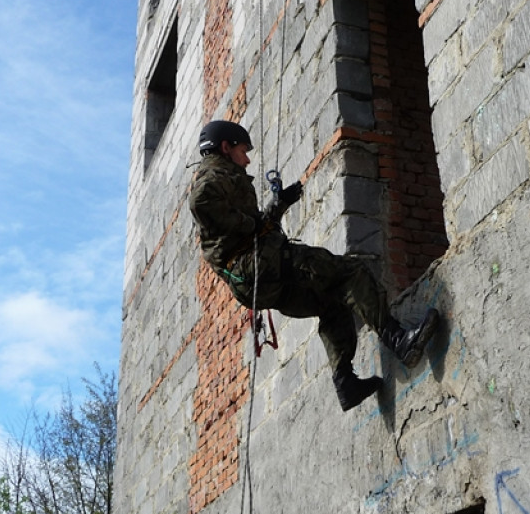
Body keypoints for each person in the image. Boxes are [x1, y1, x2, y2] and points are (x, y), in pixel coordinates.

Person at [188, 119, 439, 411]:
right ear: (225, 147)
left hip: (254, 280)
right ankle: (400, 341)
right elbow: (201, 202)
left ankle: (346, 383)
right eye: (243, 151)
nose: (247, 160)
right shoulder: (214, 176)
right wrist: (249, 223)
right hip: (262, 265)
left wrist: (280, 203)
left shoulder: (225, 178)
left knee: (332, 303)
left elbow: (249, 229)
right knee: (351, 273)